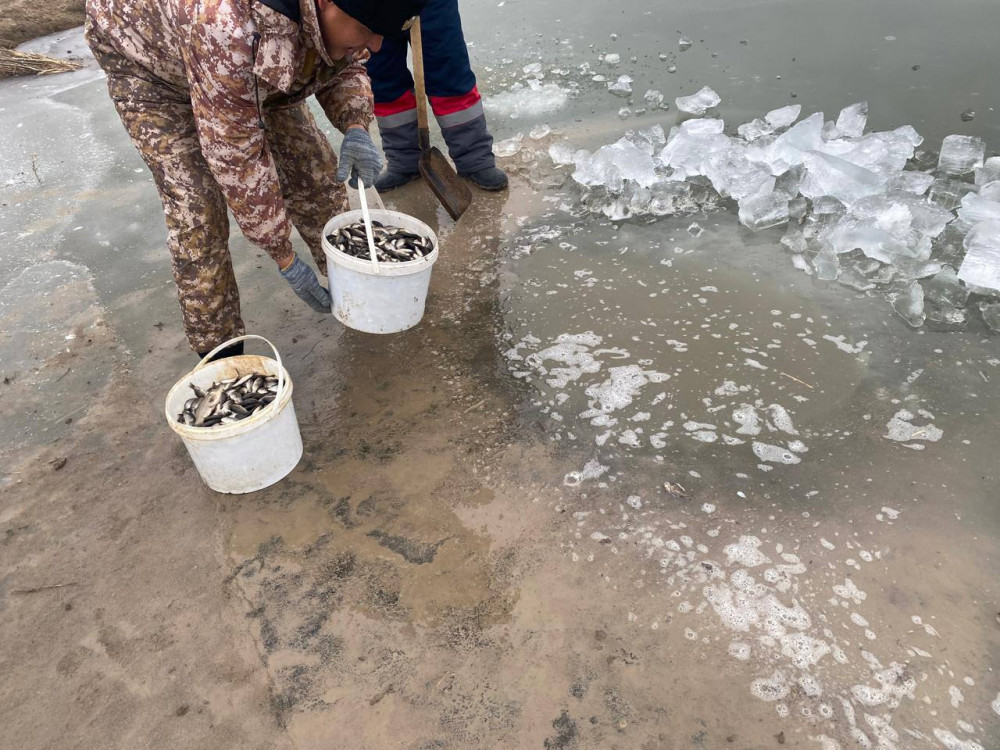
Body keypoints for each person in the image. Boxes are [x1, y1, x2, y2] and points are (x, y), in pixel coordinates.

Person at [85, 0, 425, 360]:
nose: (375, 45)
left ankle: (354, 285)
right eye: (367, 30)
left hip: (244, 55)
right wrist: (283, 255)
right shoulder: (225, 27)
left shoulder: (344, 15)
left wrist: (355, 122)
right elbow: (236, 157)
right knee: (197, 212)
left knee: (313, 169)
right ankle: (221, 353)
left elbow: (341, 62)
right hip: (152, 72)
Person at [365, 0, 507, 193]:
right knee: (383, 79)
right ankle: (404, 160)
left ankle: (474, 159)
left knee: (449, 71)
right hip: (367, 6)